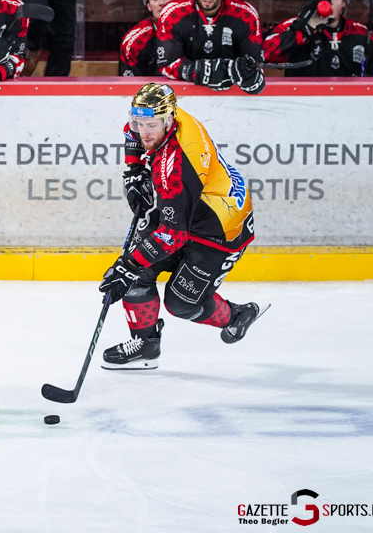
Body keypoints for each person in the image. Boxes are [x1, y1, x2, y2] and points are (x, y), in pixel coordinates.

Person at [98, 83, 264, 370]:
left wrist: (127, 264)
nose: (144, 131)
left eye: (151, 125)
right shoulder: (160, 117)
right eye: (140, 122)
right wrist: (135, 172)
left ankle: (237, 315)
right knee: (140, 273)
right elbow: (132, 133)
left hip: (221, 229)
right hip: (191, 209)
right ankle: (146, 345)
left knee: (181, 303)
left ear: (169, 119)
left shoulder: (178, 164)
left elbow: (173, 234)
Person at [156, 0, 265, 95]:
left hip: (231, 99)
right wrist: (198, 72)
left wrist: (248, 76)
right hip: (182, 97)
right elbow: (167, 63)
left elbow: (255, 64)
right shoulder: (174, 13)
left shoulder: (245, 15)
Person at [263, 0, 373, 77]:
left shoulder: (362, 33)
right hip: (302, 99)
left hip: (348, 100)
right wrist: (304, 29)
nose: (329, 2)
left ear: (344, 3)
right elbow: (266, 55)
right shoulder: (293, 26)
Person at [119, 0, 178, 77]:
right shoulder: (135, 41)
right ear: (149, 6)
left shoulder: (194, 29)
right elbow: (129, 88)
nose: (161, 3)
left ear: (177, 0)